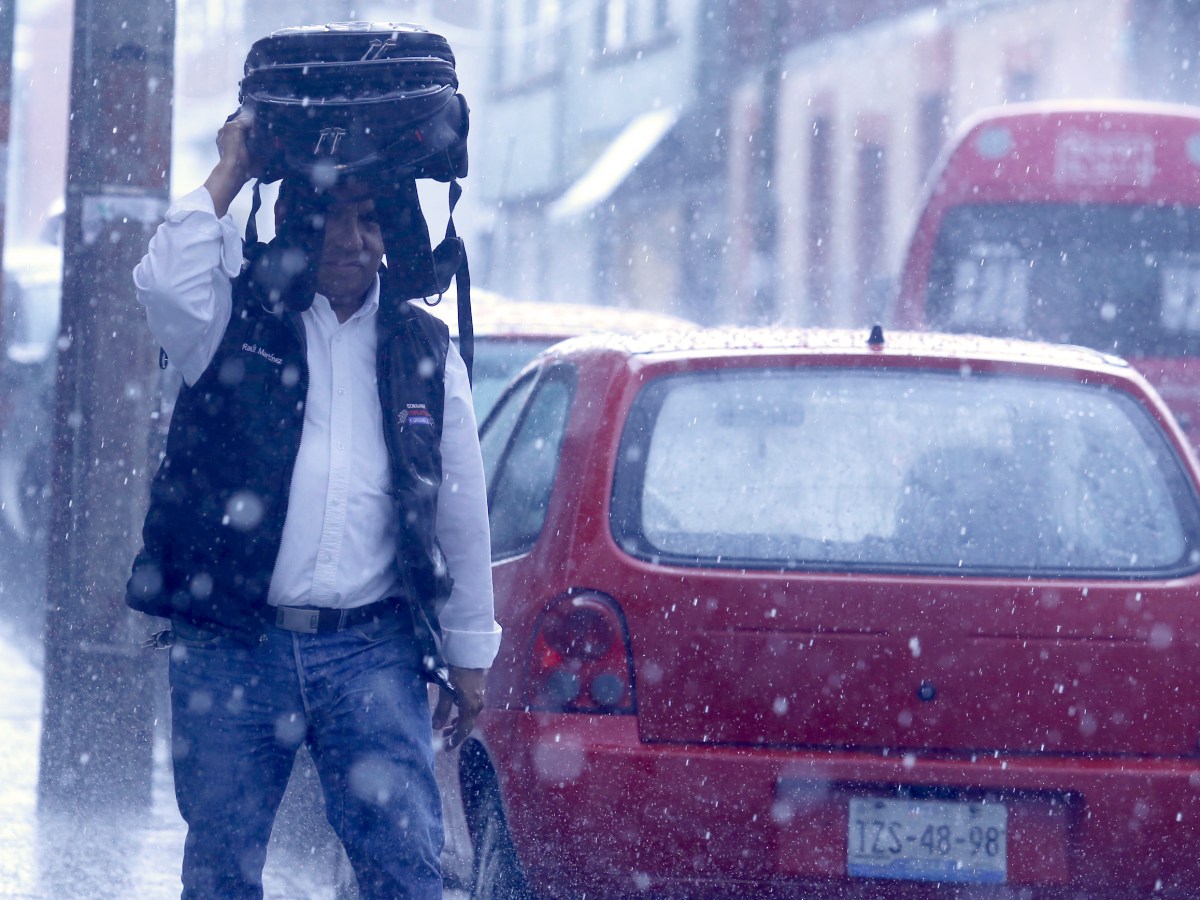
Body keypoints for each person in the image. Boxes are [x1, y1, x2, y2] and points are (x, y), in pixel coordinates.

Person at [126, 113, 501, 899]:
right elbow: (163, 283)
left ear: (393, 230)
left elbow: (460, 512)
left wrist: (470, 657)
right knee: (222, 873)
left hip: (370, 652)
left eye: (370, 219)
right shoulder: (230, 321)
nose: (351, 239)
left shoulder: (422, 351)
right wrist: (229, 169)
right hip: (234, 646)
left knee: (405, 872)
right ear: (297, 219)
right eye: (332, 215)